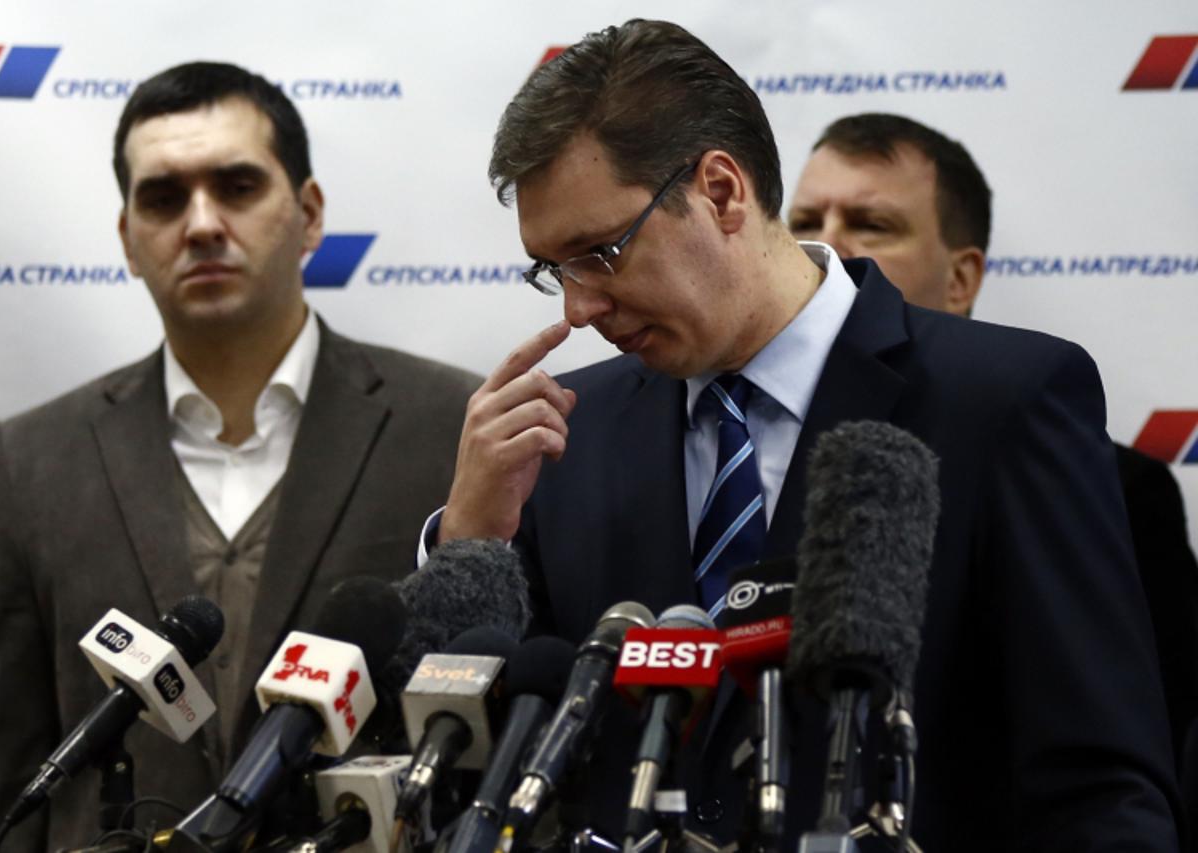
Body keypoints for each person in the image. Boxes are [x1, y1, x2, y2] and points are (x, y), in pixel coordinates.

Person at [434, 19, 1182, 850]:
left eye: (601, 252)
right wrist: (470, 542)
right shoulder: (563, 432)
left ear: (722, 190)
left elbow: (1099, 790)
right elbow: (471, 768)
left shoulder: (1003, 400)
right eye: (554, 270)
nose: (578, 308)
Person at [0, 61, 480, 852]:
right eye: (162, 198)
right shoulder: (33, 460)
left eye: (236, 186)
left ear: (308, 214)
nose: (200, 223)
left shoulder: (447, 425)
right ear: (127, 238)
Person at [788, 111, 1198, 793]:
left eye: (871, 225)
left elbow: (1139, 761)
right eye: (803, 222)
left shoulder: (1121, 489)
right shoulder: (737, 466)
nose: (826, 250)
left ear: (961, 279)